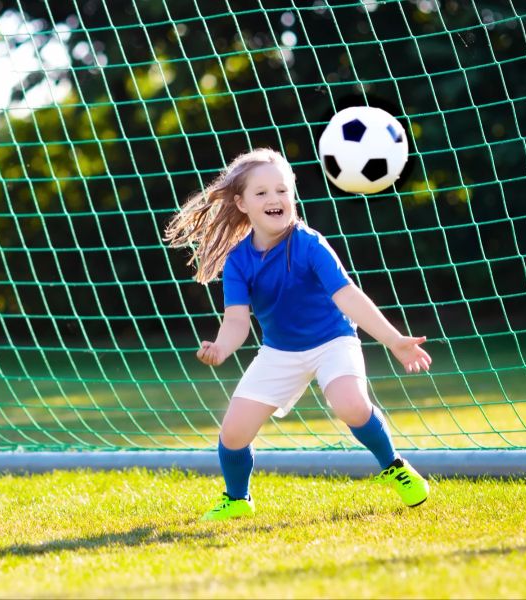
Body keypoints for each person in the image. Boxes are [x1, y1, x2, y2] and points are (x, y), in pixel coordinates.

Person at [164, 148, 432, 521]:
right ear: (241, 203)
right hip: (279, 352)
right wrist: (222, 348)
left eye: (282, 190)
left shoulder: (310, 243)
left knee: (351, 405)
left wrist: (394, 340)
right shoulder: (239, 260)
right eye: (262, 193)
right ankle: (237, 498)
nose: (275, 199)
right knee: (233, 434)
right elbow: (238, 321)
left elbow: (347, 296)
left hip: (332, 341)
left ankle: (394, 466)